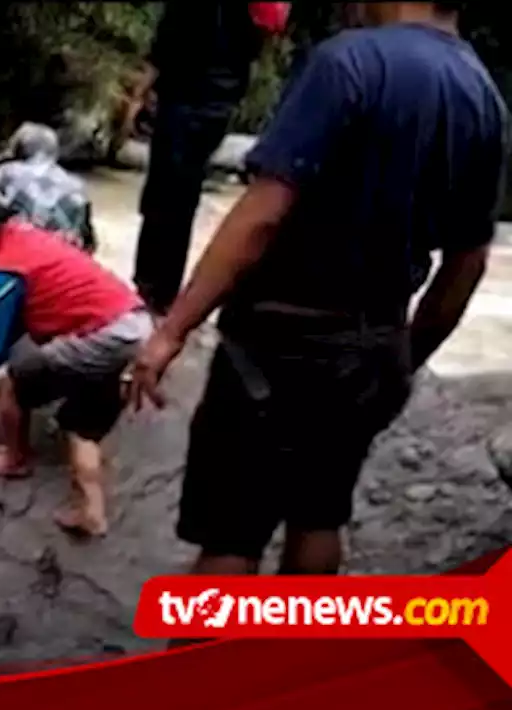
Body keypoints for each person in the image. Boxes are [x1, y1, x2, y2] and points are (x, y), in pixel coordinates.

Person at [126, 1, 507, 577]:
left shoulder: (346, 63)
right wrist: (403, 355)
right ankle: (293, 663)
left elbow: (260, 217)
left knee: (233, 534)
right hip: (371, 344)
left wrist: (171, 331)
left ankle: (202, 669)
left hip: (277, 340)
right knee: (319, 515)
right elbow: (468, 261)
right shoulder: (485, 98)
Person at [0, 198, 153, 536]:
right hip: (135, 326)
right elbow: (39, 306)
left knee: (7, 381)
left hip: (103, 337)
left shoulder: (6, 271)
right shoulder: (32, 237)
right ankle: (92, 512)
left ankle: (13, 459)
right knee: (80, 426)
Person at [130, 2, 280, 314]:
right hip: (218, 101)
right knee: (181, 196)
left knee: (165, 197)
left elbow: (169, 40)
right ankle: (158, 289)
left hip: (186, 95)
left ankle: (152, 290)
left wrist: (139, 92)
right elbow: (261, 38)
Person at [0, 123, 97, 253]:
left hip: (21, 251)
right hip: (64, 256)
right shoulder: (76, 184)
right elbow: (88, 241)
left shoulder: (6, 172)